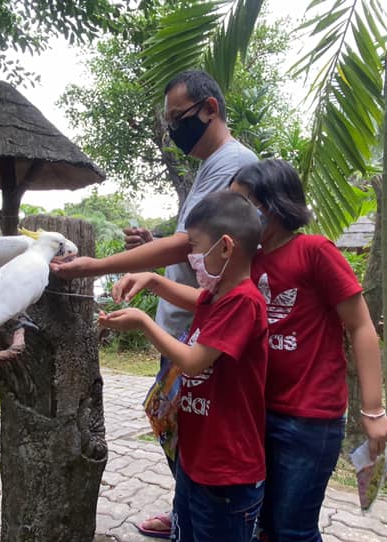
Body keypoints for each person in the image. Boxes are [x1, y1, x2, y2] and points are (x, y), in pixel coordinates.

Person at [115, 160, 387, 541]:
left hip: (308, 418)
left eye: (242, 201)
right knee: (260, 524)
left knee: (292, 529)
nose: (235, 212)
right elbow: (212, 303)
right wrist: (156, 283)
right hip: (259, 411)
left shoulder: (314, 252)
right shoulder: (247, 259)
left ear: (272, 204)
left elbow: (361, 326)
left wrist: (373, 410)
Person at [53, 69, 258, 538]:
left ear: (210, 109)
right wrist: (155, 243)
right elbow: (192, 242)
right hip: (186, 319)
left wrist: (97, 265)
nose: (172, 130)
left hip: (199, 326)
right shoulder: (210, 166)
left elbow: (191, 244)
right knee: (174, 422)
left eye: (177, 117)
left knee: (192, 427)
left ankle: (208, 514)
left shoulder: (234, 163)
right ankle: (187, 509)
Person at [98, 191, 268, 542]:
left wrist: (145, 323)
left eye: (195, 247)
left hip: (227, 472)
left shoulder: (243, 302)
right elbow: (192, 297)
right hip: (198, 459)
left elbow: (193, 362)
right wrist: (152, 279)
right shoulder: (219, 296)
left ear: (224, 247)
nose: (191, 258)